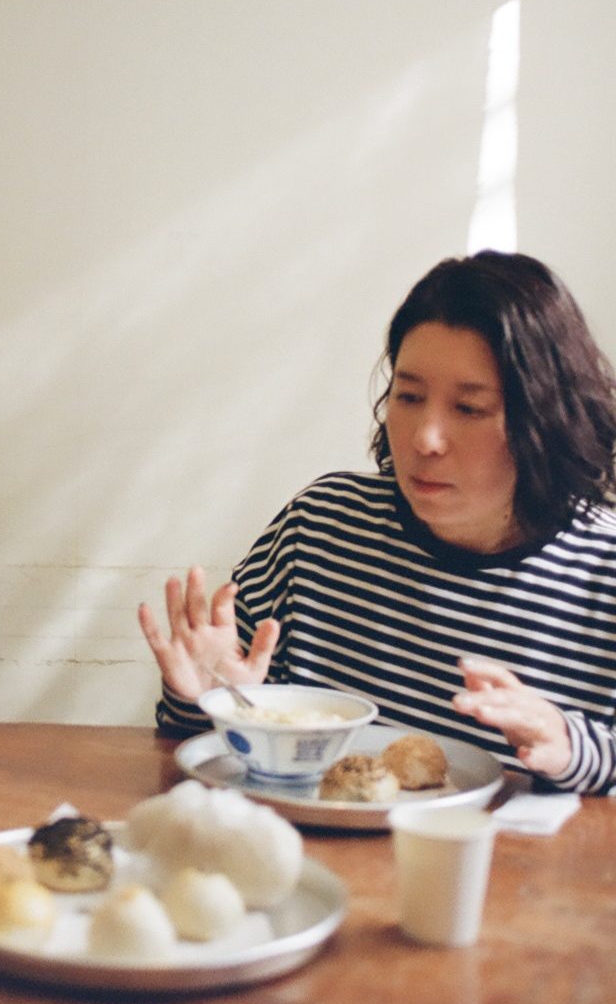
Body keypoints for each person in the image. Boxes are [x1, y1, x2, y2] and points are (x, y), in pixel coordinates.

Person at [139, 251, 616, 795]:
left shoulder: (603, 570)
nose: (425, 439)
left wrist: (573, 748)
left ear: (545, 419)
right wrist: (205, 701)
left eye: (469, 408)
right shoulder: (321, 528)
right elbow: (206, 751)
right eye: (408, 397)